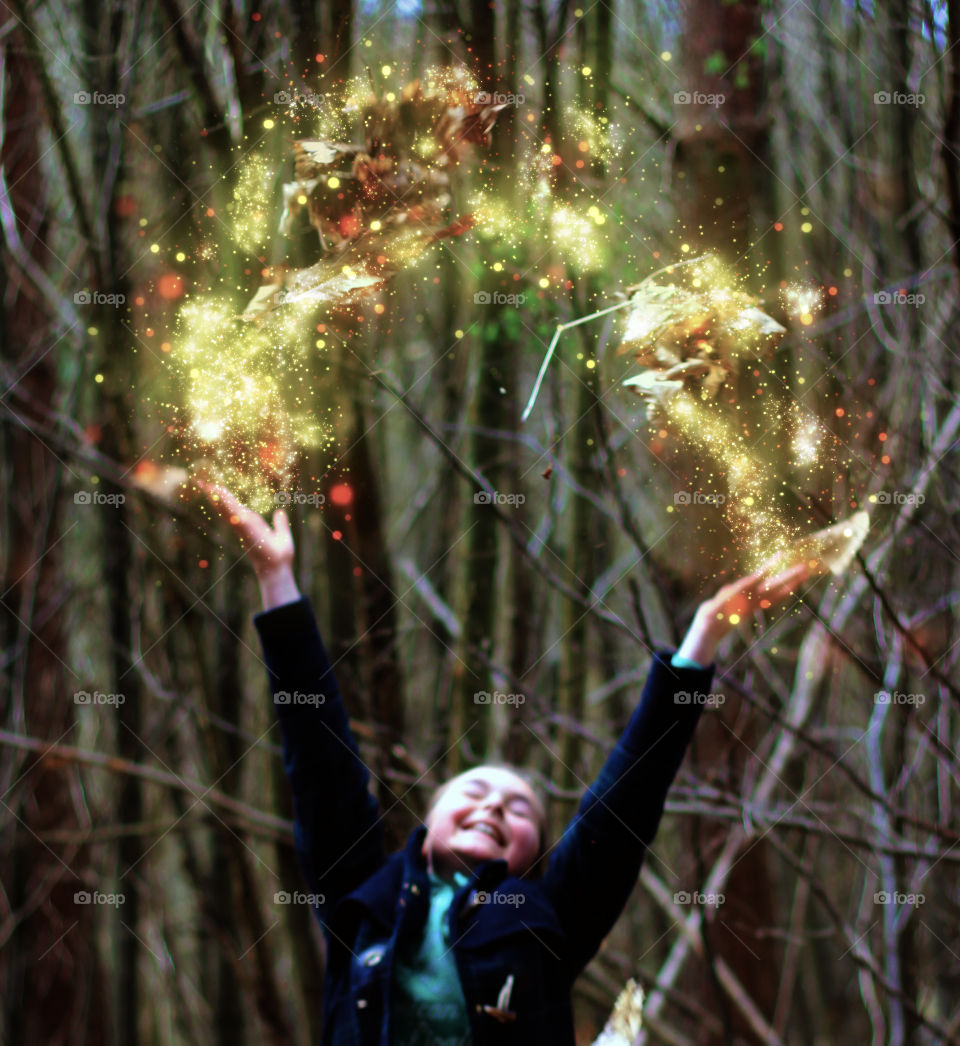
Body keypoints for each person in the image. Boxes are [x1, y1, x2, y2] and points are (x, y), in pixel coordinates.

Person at [203, 483, 811, 1046]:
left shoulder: (547, 920)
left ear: (534, 856)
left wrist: (702, 637)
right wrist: (275, 578)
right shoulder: (363, 898)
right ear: (428, 821)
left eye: (519, 808)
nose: (494, 805)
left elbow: (626, 799)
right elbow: (320, 762)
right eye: (473, 793)